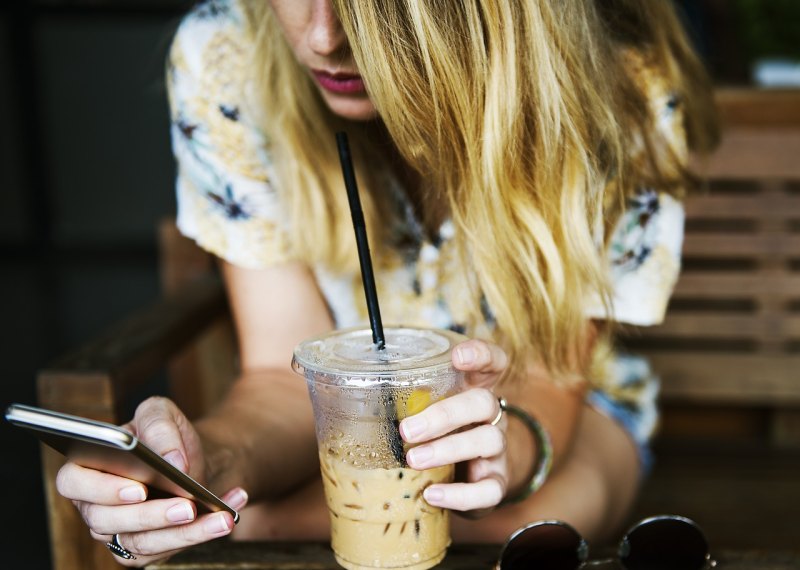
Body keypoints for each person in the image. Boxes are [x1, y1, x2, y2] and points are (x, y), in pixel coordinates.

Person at [55, 0, 718, 566]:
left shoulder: (616, 90)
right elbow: (283, 378)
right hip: (345, 427)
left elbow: (551, 379)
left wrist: (502, 450)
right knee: (268, 520)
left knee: (516, 530)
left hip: (559, 408)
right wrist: (209, 467)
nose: (322, 37)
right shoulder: (227, 57)